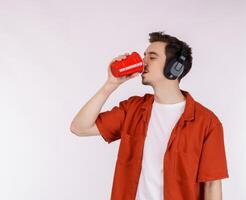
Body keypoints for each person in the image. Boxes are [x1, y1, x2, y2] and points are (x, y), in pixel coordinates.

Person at [70, 31, 229, 200]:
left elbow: (212, 184)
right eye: (144, 55)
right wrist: (111, 84)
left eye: (152, 57)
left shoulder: (207, 122)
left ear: (175, 67)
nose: (142, 62)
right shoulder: (132, 109)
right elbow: (79, 127)